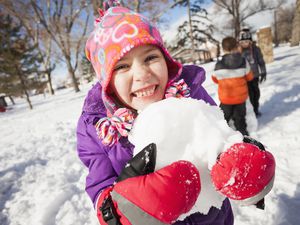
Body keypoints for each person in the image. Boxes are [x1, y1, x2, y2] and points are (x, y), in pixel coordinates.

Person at [77, 1, 275, 224]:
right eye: (122, 66)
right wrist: (122, 210)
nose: (142, 74)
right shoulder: (97, 128)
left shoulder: (189, 95)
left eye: (150, 58)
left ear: (166, 61)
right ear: (107, 81)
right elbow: (99, 185)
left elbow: (221, 138)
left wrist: (245, 168)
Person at [212, 37, 254, 136]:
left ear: (223, 49)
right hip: (240, 98)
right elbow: (250, 77)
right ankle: (243, 136)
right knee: (240, 120)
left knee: (223, 119)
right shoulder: (243, 61)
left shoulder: (219, 64)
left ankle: (223, 136)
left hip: (226, 98)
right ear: (236, 46)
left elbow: (215, 79)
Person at [239, 28, 267, 117]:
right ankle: (251, 112)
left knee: (256, 94)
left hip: (254, 76)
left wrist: (263, 72)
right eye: (242, 42)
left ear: (250, 41)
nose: (244, 44)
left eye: (246, 42)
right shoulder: (239, 51)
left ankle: (256, 109)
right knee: (249, 96)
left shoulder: (255, 49)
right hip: (244, 78)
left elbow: (261, 61)